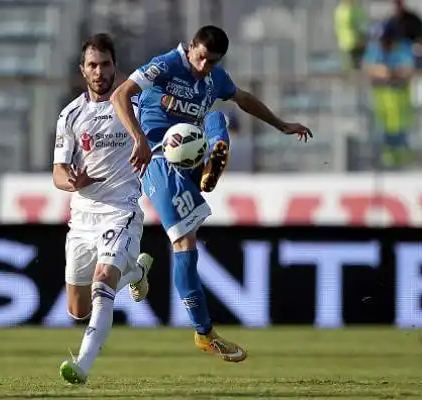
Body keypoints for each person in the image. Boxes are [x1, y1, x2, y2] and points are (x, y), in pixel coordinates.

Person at [110, 25, 312, 362]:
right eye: (201, 57)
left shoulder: (215, 78)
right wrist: (138, 139)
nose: (204, 66)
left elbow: (243, 98)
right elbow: (121, 94)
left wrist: (282, 124)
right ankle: (204, 333)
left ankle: (209, 168)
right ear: (191, 47)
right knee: (184, 241)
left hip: (187, 153)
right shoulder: (166, 65)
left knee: (218, 115)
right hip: (157, 156)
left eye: (212, 61)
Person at [53, 33, 153, 384]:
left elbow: (165, 137)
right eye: (92, 65)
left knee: (101, 284)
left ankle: (81, 366)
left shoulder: (133, 108)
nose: (99, 71)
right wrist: (71, 182)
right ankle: (136, 274)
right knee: (77, 309)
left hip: (120, 210)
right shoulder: (70, 115)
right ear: (83, 70)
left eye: (105, 64)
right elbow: (58, 173)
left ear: (115, 66)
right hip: (82, 218)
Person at [363, 20, 415, 169]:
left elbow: (407, 69)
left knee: (401, 142)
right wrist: (384, 72)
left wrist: (390, 73)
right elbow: (368, 67)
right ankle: (386, 164)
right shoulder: (375, 49)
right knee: (383, 143)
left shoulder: (402, 48)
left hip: (400, 106)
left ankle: (403, 166)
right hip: (381, 106)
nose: (383, 44)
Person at [389, 0, 422, 69]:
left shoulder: (413, 19)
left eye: (399, 2)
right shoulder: (392, 20)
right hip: (398, 49)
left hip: (413, 47)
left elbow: (421, 36)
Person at [334, 0, 369, 71]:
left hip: (352, 44)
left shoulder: (339, 10)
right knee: (352, 67)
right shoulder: (343, 10)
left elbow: (363, 27)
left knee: (352, 67)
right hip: (350, 44)